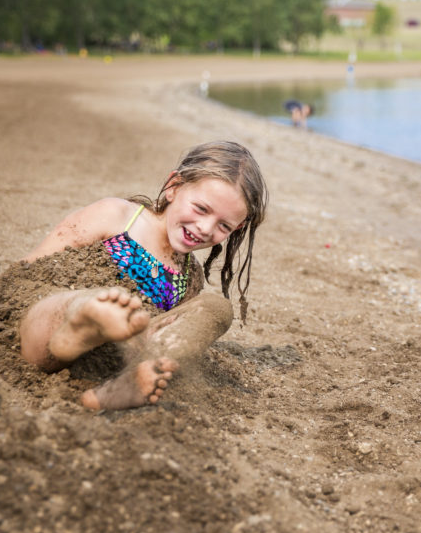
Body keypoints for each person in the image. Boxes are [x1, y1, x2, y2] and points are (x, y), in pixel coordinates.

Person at [14, 141, 268, 411]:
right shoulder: (118, 217)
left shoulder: (189, 276)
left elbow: (166, 333)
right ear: (174, 187)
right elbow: (29, 272)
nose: (205, 228)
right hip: (44, 332)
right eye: (201, 209)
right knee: (84, 302)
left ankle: (118, 387)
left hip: (105, 362)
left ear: (237, 227)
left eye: (223, 225)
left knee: (216, 308)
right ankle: (85, 320)